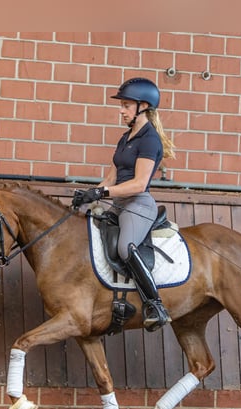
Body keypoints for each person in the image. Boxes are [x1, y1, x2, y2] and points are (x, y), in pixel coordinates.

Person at [72, 77, 176, 332]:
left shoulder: (149, 140)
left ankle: (155, 305)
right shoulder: (126, 137)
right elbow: (111, 178)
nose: (121, 110)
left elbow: (139, 184)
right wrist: (89, 193)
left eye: (126, 105)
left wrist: (102, 192)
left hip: (137, 204)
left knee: (126, 248)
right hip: (119, 202)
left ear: (143, 107)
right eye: (122, 105)